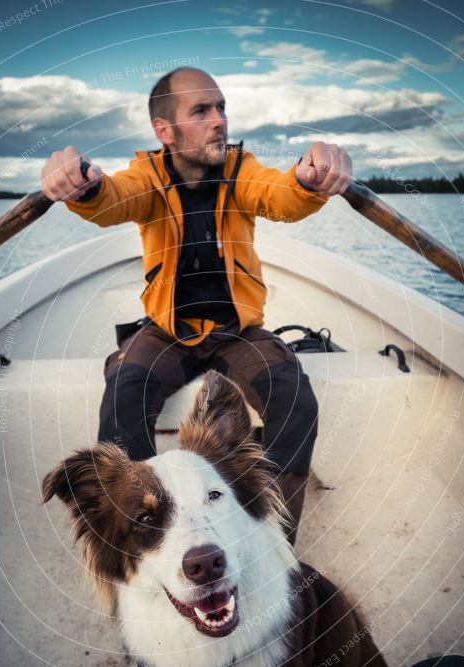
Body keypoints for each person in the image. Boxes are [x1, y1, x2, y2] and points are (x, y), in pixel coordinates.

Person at [41, 66, 353, 545]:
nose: (219, 121)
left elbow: (281, 194)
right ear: (164, 131)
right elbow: (112, 199)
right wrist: (82, 186)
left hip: (237, 332)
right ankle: (154, 542)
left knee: (292, 395)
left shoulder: (241, 171)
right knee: (124, 395)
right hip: (167, 331)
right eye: (202, 110)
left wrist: (309, 181)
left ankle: (272, 545)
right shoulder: (147, 177)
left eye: (222, 108)